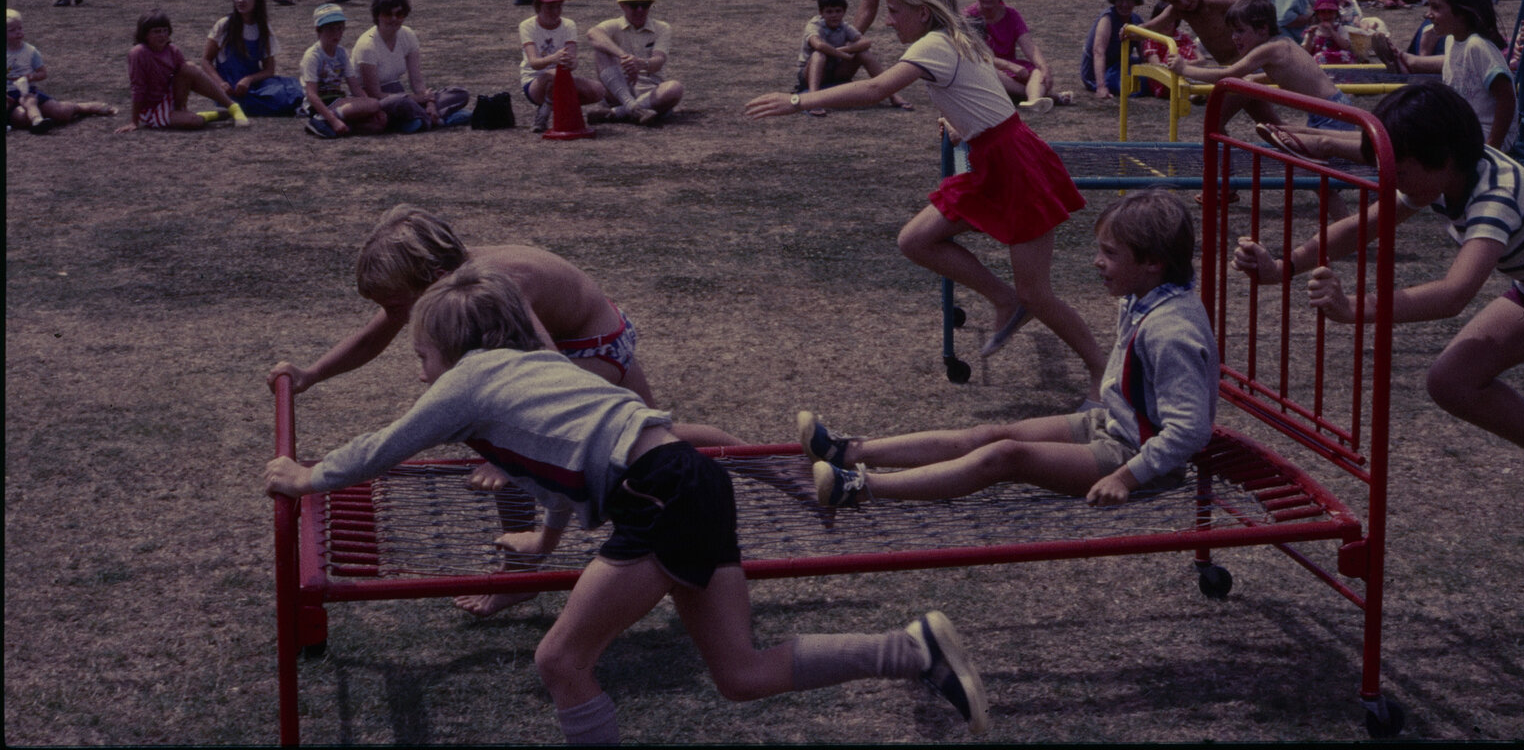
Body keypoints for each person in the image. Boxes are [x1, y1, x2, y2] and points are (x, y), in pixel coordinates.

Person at [264, 266, 989, 741]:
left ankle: (912, 650)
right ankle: (912, 649)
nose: (419, 371)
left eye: (419, 356)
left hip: (660, 494)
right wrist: (546, 544)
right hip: (689, 480)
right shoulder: (540, 368)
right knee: (738, 674)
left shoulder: (468, 380)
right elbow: (570, 460)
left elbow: (389, 444)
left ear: (449, 350)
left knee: (560, 662)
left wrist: (308, 477)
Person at [263, 203, 737, 618]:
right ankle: (761, 459)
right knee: (648, 439)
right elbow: (375, 333)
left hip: (588, 348)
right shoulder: (453, 288)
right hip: (590, 336)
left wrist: (508, 442)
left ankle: (519, 575)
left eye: (398, 304)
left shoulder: (495, 286)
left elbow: (548, 370)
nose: (400, 318)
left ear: (432, 281)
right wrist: (312, 374)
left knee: (550, 444)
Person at [1233, 82, 1524, 548]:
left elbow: (1453, 294)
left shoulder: (1495, 196)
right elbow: (1367, 224)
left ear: (1444, 158)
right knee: (1451, 380)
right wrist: (1284, 266)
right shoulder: (1441, 174)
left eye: (1400, 169)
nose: (1389, 179)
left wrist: (1354, 310)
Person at [746, 0, 1107, 380]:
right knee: (916, 240)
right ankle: (1005, 300)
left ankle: (1101, 369)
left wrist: (797, 102)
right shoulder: (953, 40)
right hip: (993, 158)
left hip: (1014, 165)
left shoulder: (934, 44)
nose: (888, 19)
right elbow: (980, 95)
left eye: (895, 9)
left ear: (922, 11)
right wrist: (960, 124)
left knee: (1038, 293)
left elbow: (876, 89)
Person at [801, 189, 1215, 511]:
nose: (1096, 262)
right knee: (989, 434)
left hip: (1141, 457)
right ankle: (851, 451)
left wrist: (1125, 478)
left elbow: (1190, 431)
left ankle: (859, 488)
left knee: (1004, 456)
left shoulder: (1169, 330)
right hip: (1116, 425)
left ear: (1153, 262)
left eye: (1109, 253)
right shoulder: (1145, 296)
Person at [1170, 0, 1352, 140]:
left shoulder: (1268, 50)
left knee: (1325, 173)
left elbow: (1227, 74)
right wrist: (1255, 79)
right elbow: (1291, 74)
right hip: (1333, 107)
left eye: (1240, 30)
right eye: (1232, 31)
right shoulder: (1284, 43)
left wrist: (1184, 69)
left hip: (1330, 114)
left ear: (1263, 29)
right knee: (1318, 170)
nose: (1234, 37)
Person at [1375, 0, 1516, 152]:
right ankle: (1329, 141)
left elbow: (1507, 97)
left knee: (1403, 142)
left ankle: (1329, 145)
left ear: (1462, 11)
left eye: (1436, 7)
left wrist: (1493, 146)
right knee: (1400, 128)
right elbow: (1454, 64)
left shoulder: (1478, 46)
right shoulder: (1452, 40)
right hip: (1463, 128)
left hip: (1484, 136)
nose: (1428, 14)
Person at [115, 10, 247, 133]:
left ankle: (233, 107)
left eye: (165, 31)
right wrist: (134, 121)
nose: (162, 35)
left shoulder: (172, 50)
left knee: (189, 67)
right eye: (156, 32)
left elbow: (188, 78)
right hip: (152, 109)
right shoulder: (138, 53)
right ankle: (210, 115)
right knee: (195, 122)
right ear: (145, 34)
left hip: (170, 99)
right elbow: (138, 87)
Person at [353, 0, 463, 133]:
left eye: (399, 14)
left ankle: (424, 118)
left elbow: (417, 81)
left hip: (404, 96)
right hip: (380, 101)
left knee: (459, 93)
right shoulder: (367, 45)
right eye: (388, 14)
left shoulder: (407, 35)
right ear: (378, 16)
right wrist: (418, 99)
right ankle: (438, 119)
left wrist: (429, 102)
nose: (394, 19)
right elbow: (375, 94)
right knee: (401, 102)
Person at [964, 0, 1067, 112]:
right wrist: (1010, 66)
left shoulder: (1011, 15)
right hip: (984, 66)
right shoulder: (969, 17)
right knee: (988, 72)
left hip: (1010, 68)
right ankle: (1041, 95)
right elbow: (982, 56)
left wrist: (1044, 68)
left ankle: (1034, 102)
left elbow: (1029, 47)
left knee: (1037, 73)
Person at [794, 0, 910, 114]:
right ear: (821, 13)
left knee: (863, 53)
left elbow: (866, 42)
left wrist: (846, 49)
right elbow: (819, 45)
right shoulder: (815, 24)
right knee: (819, 55)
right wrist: (842, 54)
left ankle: (892, 95)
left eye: (838, 11)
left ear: (844, 12)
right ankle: (813, 101)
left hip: (835, 72)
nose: (834, 15)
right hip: (810, 74)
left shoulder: (844, 26)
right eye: (829, 12)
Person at [586, 0, 684, 125]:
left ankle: (618, 112)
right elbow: (592, 34)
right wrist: (624, 57)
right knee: (601, 50)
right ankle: (633, 107)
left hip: (649, 91)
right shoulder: (614, 25)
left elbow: (659, 61)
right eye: (633, 5)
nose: (640, 10)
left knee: (675, 88)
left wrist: (641, 64)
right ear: (622, 5)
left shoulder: (661, 28)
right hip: (618, 89)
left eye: (644, 5)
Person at [203, 0, 304, 117]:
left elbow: (269, 70)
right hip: (230, 87)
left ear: (256, 0)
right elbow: (206, 61)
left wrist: (248, 80)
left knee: (293, 89)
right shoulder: (225, 25)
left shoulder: (262, 28)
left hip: (254, 85)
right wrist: (220, 83)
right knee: (276, 101)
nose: (240, 1)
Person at [6, 8, 115, 133]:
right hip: (9, 98)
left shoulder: (30, 51)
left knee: (60, 113)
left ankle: (82, 107)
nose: (18, 32)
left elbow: (42, 73)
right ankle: (39, 120)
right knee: (21, 119)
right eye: (12, 30)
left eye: (20, 28)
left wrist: (30, 77)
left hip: (28, 92)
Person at [520, 0, 604, 133]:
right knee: (552, 75)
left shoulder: (568, 25)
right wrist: (554, 58)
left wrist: (571, 62)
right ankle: (543, 115)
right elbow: (533, 62)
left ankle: (560, 110)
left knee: (598, 90)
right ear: (537, 6)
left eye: (559, 6)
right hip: (534, 83)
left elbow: (573, 61)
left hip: (562, 78)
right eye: (550, 7)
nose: (556, 11)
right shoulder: (527, 26)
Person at [298, 4, 387, 139]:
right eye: (330, 29)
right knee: (374, 103)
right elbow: (312, 94)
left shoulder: (341, 53)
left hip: (336, 100)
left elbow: (355, 86)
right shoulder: (313, 55)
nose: (337, 34)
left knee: (378, 123)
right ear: (318, 30)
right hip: (319, 104)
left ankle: (337, 124)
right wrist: (334, 119)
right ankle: (322, 119)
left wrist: (371, 110)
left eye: (340, 29)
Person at [1140, 0, 1242, 65]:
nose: (1184, 2)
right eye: (1175, 1)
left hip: (1248, 61)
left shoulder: (1216, 1)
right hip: (1226, 64)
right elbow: (1150, 27)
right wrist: (1127, 31)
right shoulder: (1177, 10)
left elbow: (1253, 5)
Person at [1079, 0, 1143, 100]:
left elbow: (1143, 52)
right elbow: (1098, 52)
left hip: (1120, 64)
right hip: (1099, 72)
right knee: (1131, 88)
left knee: (1150, 73)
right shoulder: (1107, 18)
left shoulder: (1136, 20)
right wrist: (1101, 86)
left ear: (1135, 1)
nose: (1124, 4)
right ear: (1114, 1)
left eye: (1129, 0)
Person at [1301, 0, 1357, 64]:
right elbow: (1306, 52)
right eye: (1323, 12)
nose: (1326, 15)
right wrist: (1310, 37)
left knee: (1346, 56)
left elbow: (1346, 46)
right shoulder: (1313, 30)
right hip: (1319, 65)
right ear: (1317, 14)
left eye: (1330, 12)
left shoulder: (1340, 28)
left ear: (1336, 14)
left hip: (1338, 62)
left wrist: (1332, 31)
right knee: (1319, 57)